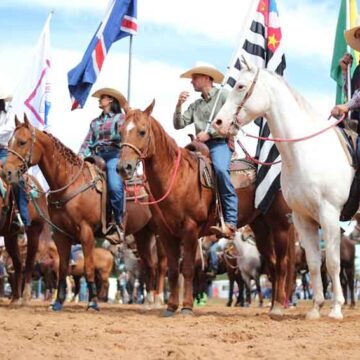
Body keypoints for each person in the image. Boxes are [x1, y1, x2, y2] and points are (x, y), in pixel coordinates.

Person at [173, 63, 238, 238]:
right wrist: (179, 105)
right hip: (198, 147)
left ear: (206, 78)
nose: (192, 82)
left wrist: (209, 134)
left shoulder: (223, 96)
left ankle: (231, 221)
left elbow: (234, 124)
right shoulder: (196, 105)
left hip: (219, 144)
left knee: (221, 171)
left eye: (194, 78)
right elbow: (179, 124)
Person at [79, 88, 127, 244]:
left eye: (103, 98)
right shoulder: (94, 122)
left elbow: (125, 135)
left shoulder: (121, 118)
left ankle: (117, 222)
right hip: (96, 156)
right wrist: (79, 156)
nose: (100, 100)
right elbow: (87, 141)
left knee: (114, 186)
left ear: (111, 100)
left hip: (114, 154)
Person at [0, 90, 31, 233]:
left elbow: (8, 131)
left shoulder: (10, 116)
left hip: (4, 152)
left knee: (15, 178)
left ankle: (23, 217)